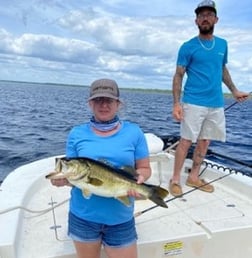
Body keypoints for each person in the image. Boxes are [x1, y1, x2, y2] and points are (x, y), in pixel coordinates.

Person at [50, 78, 151, 258]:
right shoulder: (76, 134)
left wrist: (140, 180)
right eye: (98, 100)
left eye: (109, 100)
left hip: (121, 219)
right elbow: (75, 177)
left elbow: (144, 168)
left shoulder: (134, 132)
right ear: (90, 103)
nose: (103, 105)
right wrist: (63, 180)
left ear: (118, 104)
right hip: (83, 218)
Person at [169, 0, 249, 197]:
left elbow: (222, 69)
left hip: (216, 103)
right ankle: (175, 179)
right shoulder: (188, 47)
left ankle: (194, 177)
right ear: (196, 20)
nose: (205, 18)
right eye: (201, 15)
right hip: (193, 101)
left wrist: (234, 90)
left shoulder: (223, 44)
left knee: (205, 142)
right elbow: (179, 75)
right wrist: (176, 104)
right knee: (186, 141)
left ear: (216, 19)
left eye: (209, 14)